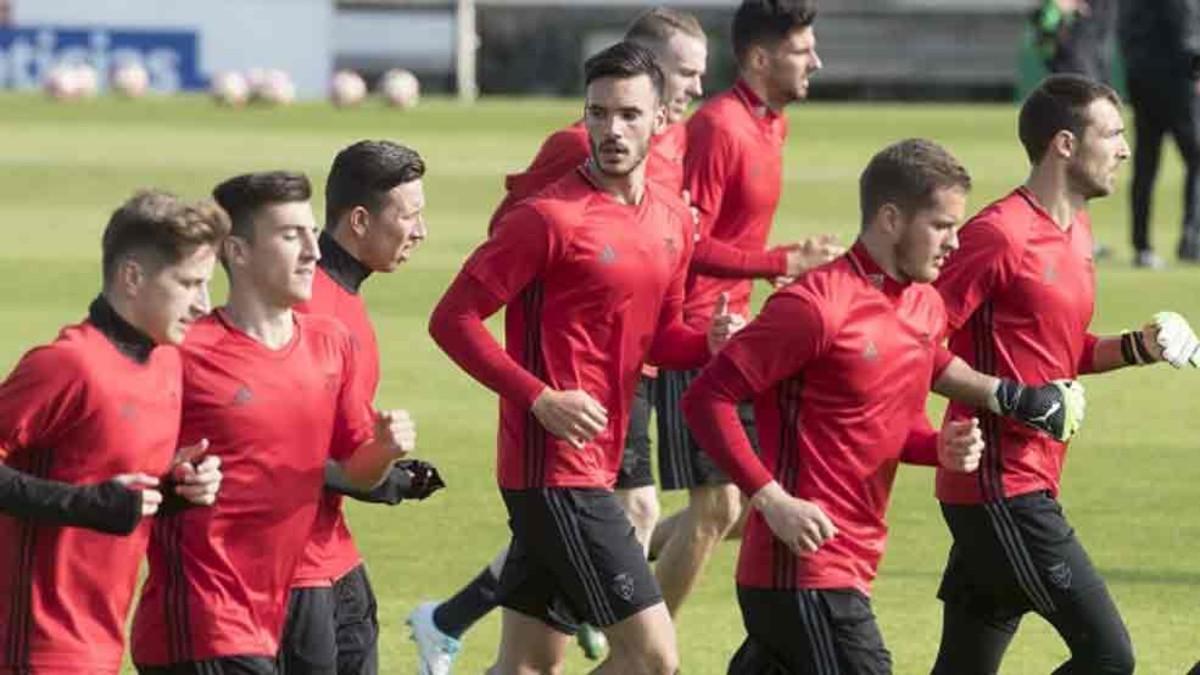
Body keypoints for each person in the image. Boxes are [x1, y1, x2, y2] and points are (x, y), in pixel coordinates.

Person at [408, 7, 773, 670]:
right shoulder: (547, 219)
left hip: (597, 464)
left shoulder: (670, 221)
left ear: (662, 119)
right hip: (551, 472)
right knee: (654, 656)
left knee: (525, 663)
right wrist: (539, 396)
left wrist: (709, 343)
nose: (610, 129)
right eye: (598, 112)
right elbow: (451, 318)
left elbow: (660, 340)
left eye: (629, 114)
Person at [682, 137, 1089, 672]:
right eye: (941, 226)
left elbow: (886, 425)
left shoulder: (922, 306)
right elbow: (706, 398)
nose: (953, 243)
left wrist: (937, 446)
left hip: (848, 566)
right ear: (891, 219)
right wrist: (772, 500)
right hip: (802, 571)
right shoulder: (814, 306)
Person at [930, 74, 1200, 674]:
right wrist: (1012, 399)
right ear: (1065, 145)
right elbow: (909, 343)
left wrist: (1140, 345)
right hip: (1002, 488)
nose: (1126, 149)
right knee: (1107, 657)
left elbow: (1053, 349)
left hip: (1027, 481)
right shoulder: (999, 235)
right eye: (1113, 133)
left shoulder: (1076, 230)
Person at [130, 172, 417, 674]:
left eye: (311, 233)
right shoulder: (181, 351)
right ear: (237, 252)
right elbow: (109, 462)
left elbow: (354, 472)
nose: (313, 251)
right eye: (291, 236)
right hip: (202, 618)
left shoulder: (330, 342)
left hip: (291, 601)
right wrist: (170, 472)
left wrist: (384, 450)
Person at [651, 0, 837, 621]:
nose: (817, 60)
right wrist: (780, 263)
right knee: (719, 507)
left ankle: (605, 570)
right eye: (802, 50)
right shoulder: (719, 128)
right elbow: (686, 243)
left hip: (739, 334)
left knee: (757, 502)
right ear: (760, 58)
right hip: (697, 331)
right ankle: (643, 653)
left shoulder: (772, 124)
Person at [0, 190, 227, 674]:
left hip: (101, 644)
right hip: (31, 649)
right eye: (189, 284)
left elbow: (114, 486)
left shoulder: (167, 362)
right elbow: (94, 499)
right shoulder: (67, 365)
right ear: (132, 277)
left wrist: (178, 487)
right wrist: (86, 505)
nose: (203, 306)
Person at [278, 142, 442, 675]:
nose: (421, 232)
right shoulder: (310, 312)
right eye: (410, 217)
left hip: (334, 558)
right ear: (360, 220)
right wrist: (387, 482)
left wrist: (388, 471)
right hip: (293, 572)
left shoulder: (339, 298)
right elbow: (276, 451)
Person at [1119, 0, 1200, 268]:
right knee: (1196, 159)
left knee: (1145, 166)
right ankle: (1192, 239)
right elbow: (1185, 32)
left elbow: (1124, 32)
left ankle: (1141, 244)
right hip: (1178, 83)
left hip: (1141, 80)